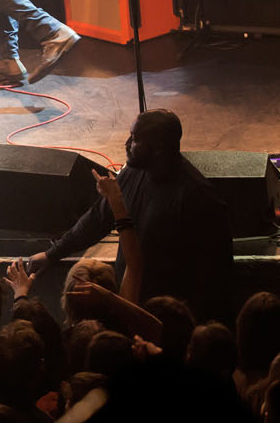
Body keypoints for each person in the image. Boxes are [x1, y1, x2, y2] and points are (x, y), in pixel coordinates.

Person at [30, 109, 233, 320]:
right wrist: (52, 254)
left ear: (159, 147)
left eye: (135, 139)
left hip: (167, 319)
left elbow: (215, 277)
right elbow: (97, 219)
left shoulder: (198, 197)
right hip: (129, 307)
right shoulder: (132, 173)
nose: (127, 143)